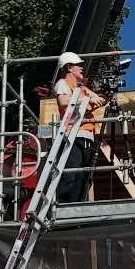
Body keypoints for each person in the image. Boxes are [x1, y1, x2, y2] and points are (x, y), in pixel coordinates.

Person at [52, 52, 106, 203]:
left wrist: (101, 95)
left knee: (83, 177)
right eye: (79, 65)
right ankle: (64, 206)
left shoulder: (81, 87)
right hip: (73, 136)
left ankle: (77, 206)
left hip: (85, 135)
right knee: (71, 173)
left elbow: (97, 98)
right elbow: (63, 101)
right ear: (69, 68)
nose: (82, 68)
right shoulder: (63, 83)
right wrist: (88, 98)